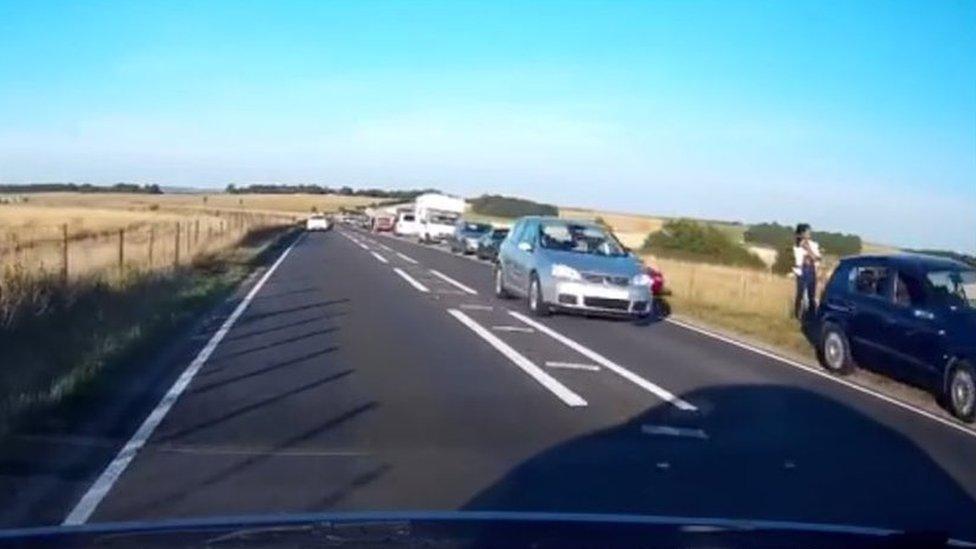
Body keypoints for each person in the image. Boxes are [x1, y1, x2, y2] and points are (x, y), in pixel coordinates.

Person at [793, 223, 821, 320]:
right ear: (802, 233)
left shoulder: (813, 244)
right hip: (803, 269)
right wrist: (811, 255)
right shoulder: (799, 245)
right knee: (800, 294)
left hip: (811, 269)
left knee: (811, 294)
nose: (809, 233)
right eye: (807, 231)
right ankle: (798, 315)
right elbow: (812, 257)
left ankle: (811, 316)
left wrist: (811, 254)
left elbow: (817, 258)